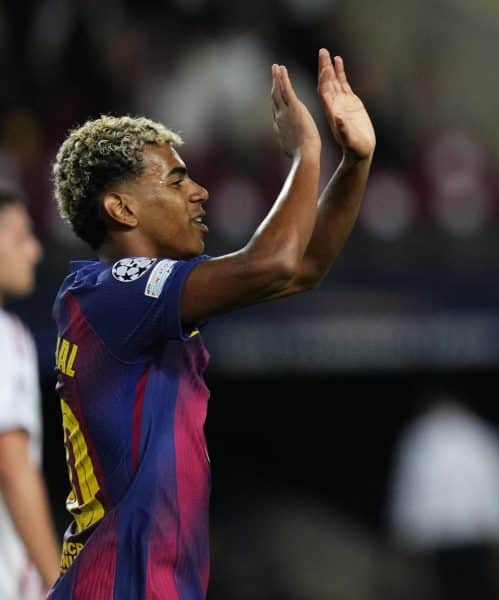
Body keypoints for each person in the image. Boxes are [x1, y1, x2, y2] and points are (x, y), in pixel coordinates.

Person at [47, 49, 374, 599]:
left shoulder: (129, 301)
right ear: (121, 210)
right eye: (176, 182)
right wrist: (306, 152)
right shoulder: (108, 290)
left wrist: (356, 161)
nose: (199, 192)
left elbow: (300, 272)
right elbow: (272, 264)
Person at [0, 188, 61, 599]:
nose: (36, 251)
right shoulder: (5, 337)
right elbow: (12, 465)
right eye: (20, 237)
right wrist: (56, 583)